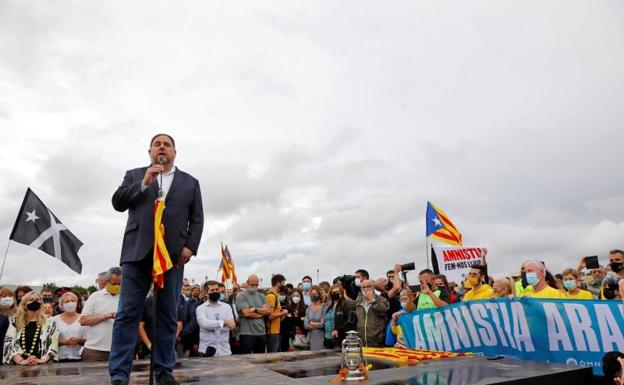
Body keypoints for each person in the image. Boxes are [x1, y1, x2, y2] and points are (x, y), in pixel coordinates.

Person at [109, 133, 204, 385]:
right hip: (137, 253)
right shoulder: (134, 174)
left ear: (175, 152)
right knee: (127, 314)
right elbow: (117, 203)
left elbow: (197, 219)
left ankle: (164, 370)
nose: (162, 147)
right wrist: (144, 182)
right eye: (157, 144)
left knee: (167, 314)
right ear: (149, 151)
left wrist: (189, 248)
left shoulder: (190, 182)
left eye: (167, 144)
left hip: (171, 257)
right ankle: (119, 374)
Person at [3, 291, 58, 365]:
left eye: (37, 300)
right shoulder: (16, 321)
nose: (35, 301)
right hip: (19, 366)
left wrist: (41, 360)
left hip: (44, 365)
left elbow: (53, 344)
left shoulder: (49, 321)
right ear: (24, 304)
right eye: (31, 300)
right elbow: (8, 343)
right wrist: (22, 361)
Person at [80, 267, 122, 361]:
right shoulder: (95, 296)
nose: (117, 286)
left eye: (119, 284)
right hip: (94, 351)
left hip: (119, 350)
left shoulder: (125, 297)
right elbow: (83, 321)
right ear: (106, 281)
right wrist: (103, 316)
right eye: (114, 283)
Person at [196, 281, 235, 356]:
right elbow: (205, 324)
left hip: (225, 351)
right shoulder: (200, 308)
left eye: (217, 290)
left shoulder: (227, 307)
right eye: (212, 290)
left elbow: (232, 325)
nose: (216, 292)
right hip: (206, 352)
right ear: (206, 293)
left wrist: (213, 325)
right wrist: (224, 323)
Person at [237, 274, 271, 354]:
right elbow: (246, 313)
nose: (254, 286)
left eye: (256, 284)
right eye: (252, 284)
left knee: (260, 360)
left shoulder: (262, 296)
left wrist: (254, 309)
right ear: (247, 283)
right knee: (246, 361)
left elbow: (268, 311)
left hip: (261, 332)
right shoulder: (241, 296)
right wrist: (262, 313)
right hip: (247, 333)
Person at [355, 280, 389, 347]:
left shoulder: (382, 299)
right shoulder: (358, 301)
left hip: (377, 341)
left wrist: (372, 300)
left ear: (373, 288)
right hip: (361, 340)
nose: (366, 289)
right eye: (364, 287)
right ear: (361, 289)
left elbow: (383, 311)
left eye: (369, 286)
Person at [54, 292, 86, 362]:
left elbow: (88, 339)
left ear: (77, 303)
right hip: (60, 357)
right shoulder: (54, 320)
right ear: (61, 304)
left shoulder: (84, 318)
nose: (70, 303)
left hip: (80, 357)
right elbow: (50, 340)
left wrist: (79, 340)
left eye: (72, 301)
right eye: (67, 301)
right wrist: (65, 342)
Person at [324, 283, 356, 348]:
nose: (335, 294)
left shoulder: (346, 304)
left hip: (341, 339)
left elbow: (351, 321)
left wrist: (339, 330)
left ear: (341, 293)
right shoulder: (329, 307)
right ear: (330, 293)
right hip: (328, 338)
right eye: (333, 292)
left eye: (337, 292)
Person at [266, 274, 288, 353]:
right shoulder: (271, 296)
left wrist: (281, 316)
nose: (284, 285)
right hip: (272, 332)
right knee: (273, 358)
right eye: (283, 283)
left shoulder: (276, 296)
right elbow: (269, 316)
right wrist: (283, 313)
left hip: (276, 331)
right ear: (278, 283)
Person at [304, 285, 326, 350]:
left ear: (319, 294)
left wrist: (311, 323)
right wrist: (317, 323)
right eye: (312, 294)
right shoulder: (308, 309)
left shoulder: (324, 307)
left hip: (320, 337)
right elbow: (305, 325)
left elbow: (323, 324)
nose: (313, 295)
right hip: (310, 337)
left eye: (315, 293)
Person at [0, 287, 16, 355]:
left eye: (10, 296)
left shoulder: (18, 314)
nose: (7, 298)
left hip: (13, 349)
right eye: (4, 296)